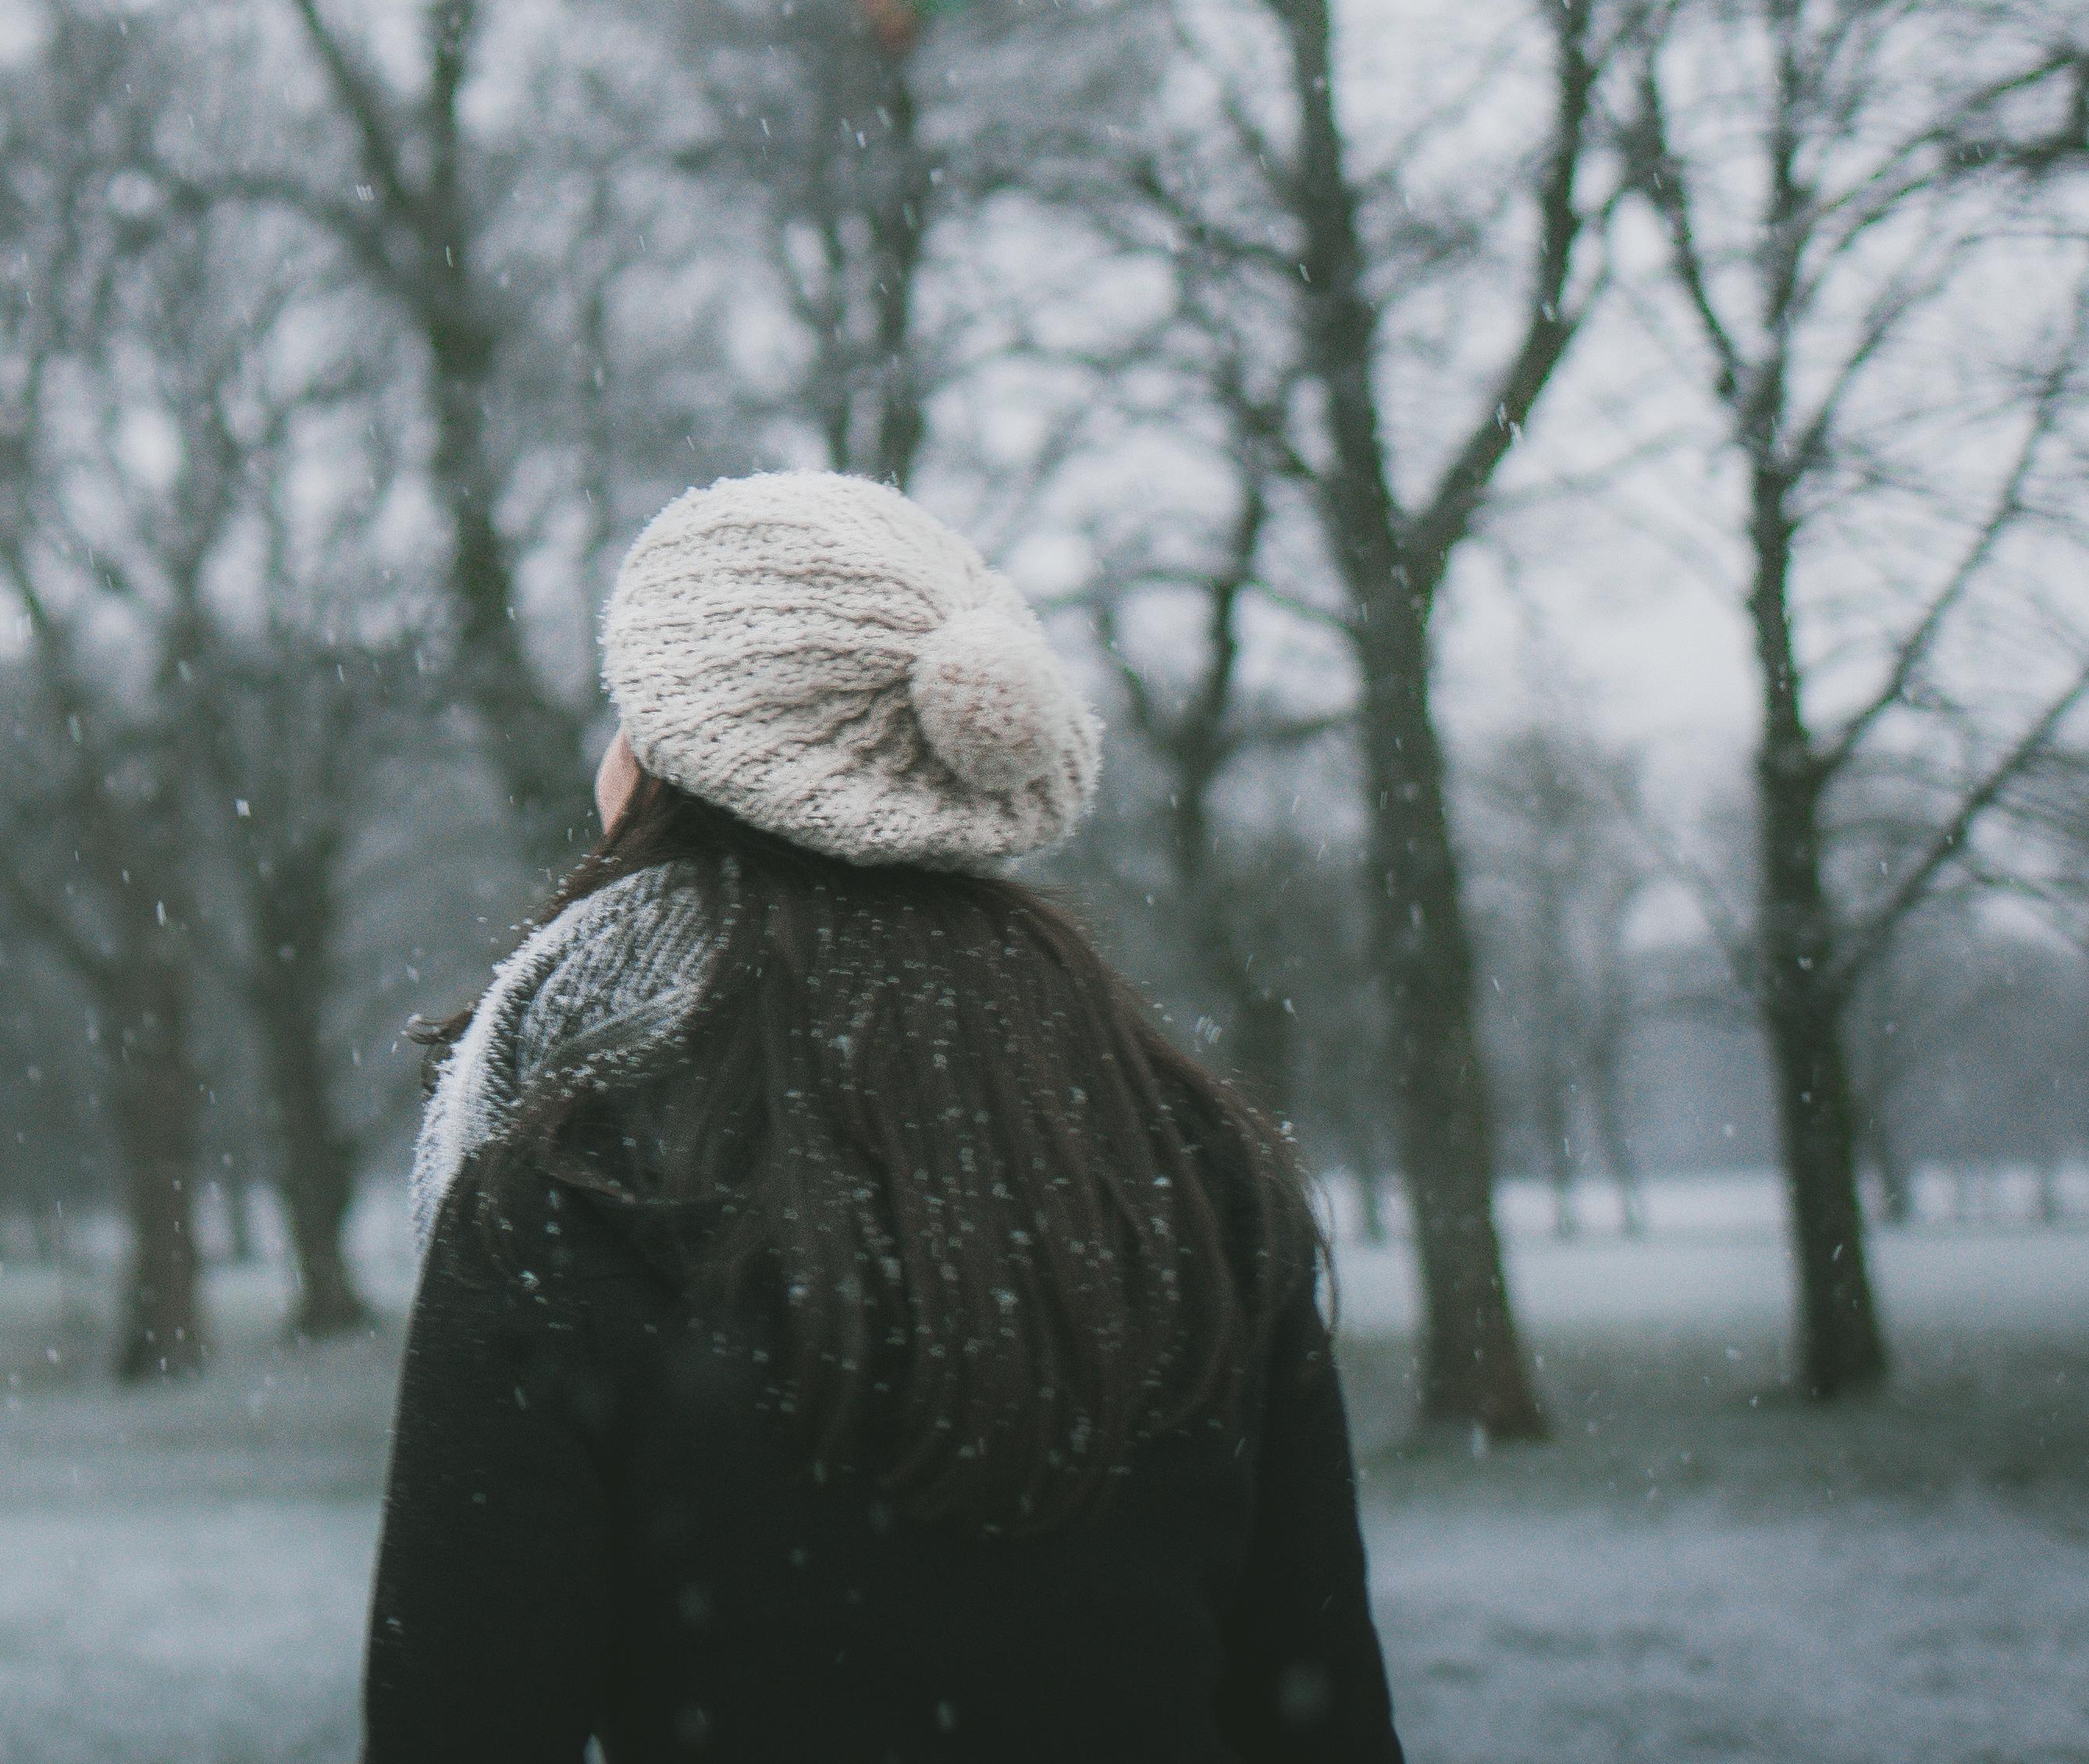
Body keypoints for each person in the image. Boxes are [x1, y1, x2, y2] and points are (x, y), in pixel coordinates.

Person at [365, 471, 1401, 1763]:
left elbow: (461, 1720)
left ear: (664, 774)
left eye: (629, 714)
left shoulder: (575, 1186)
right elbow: (1318, 1708)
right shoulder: (1194, 1166)